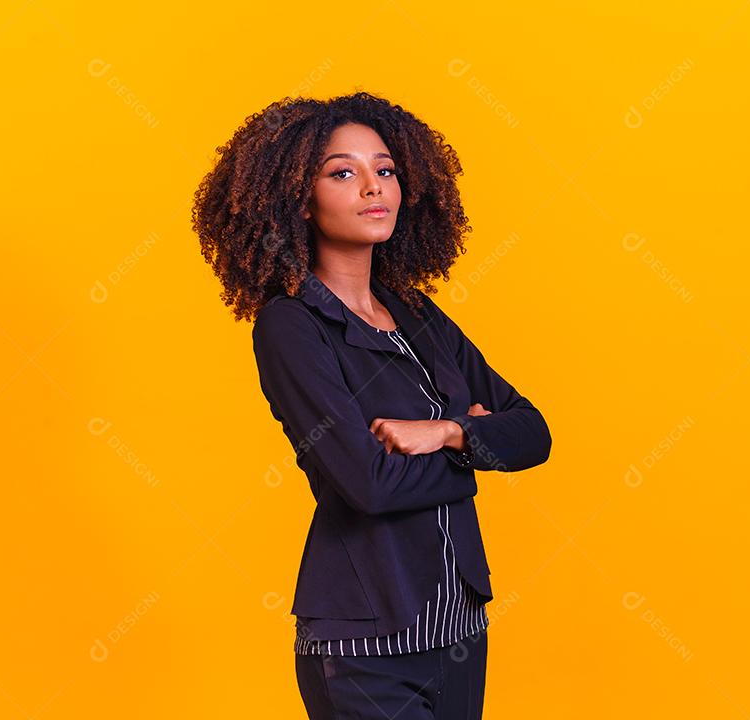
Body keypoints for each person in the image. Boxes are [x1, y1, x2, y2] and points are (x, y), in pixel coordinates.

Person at [192, 90, 552, 719]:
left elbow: (534, 433)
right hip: (363, 644)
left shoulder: (418, 315)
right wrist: (477, 450)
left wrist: (445, 434)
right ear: (298, 198)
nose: (372, 188)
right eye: (342, 172)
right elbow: (369, 484)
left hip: (459, 626)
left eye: (384, 170)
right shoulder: (292, 326)